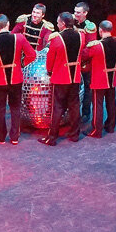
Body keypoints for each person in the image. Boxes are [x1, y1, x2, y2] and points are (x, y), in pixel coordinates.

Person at [0, 14, 37, 145]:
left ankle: (1, 137)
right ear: (8, 24)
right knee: (15, 108)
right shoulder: (19, 38)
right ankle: (15, 137)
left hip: (0, 79)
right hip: (16, 78)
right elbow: (32, 55)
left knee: (0, 108)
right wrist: (21, 63)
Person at [39, 12, 85, 145]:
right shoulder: (81, 36)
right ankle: (74, 134)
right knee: (74, 106)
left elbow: (50, 60)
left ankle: (52, 137)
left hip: (60, 77)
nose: (57, 25)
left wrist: (49, 71)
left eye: (58, 22)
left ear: (63, 24)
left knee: (57, 108)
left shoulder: (57, 39)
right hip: (75, 76)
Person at [83, 20, 116, 137]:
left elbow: (83, 56)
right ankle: (111, 126)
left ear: (100, 31)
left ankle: (96, 130)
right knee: (111, 102)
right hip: (112, 79)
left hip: (99, 80)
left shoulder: (96, 46)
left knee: (98, 104)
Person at [73, 1, 98, 123]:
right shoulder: (71, 22)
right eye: (75, 11)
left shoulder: (89, 27)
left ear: (85, 13)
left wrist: (78, 57)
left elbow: (90, 48)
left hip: (85, 63)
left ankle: (86, 113)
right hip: (73, 62)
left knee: (87, 89)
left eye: (78, 12)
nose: (75, 14)